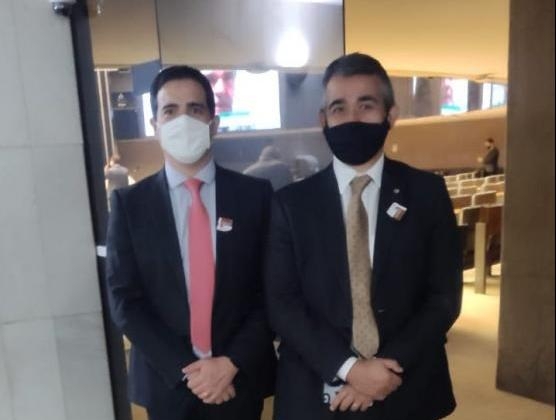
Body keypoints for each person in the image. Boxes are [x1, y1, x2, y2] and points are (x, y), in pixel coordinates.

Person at [265, 53, 463, 420]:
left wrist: (385, 369)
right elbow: (282, 302)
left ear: (391, 115)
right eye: (338, 108)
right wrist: (351, 369)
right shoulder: (291, 204)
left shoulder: (427, 193)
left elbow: (443, 298)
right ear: (323, 120)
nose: (352, 118)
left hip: (407, 386)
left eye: (366, 105)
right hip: (315, 390)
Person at [105, 65, 276, 420]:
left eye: (195, 109)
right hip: (166, 382)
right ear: (155, 125)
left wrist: (230, 363)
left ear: (213, 123)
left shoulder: (254, 196)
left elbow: (274, 290)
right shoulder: (130, 205)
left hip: (238, 379)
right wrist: (188, 371)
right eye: (170, 110)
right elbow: (125, 300)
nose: (182, 120)